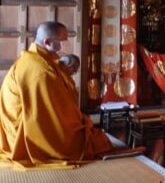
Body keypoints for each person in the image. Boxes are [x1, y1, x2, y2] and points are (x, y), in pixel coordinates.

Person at [0, 22, 113, 169]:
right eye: (60, 42)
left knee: (93, 134)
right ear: (47, 42)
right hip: (23, 134)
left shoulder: (37, 59)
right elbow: (51, 117)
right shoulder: (40, 71)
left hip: (18, 129)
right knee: (95, 143)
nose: (62, 48)